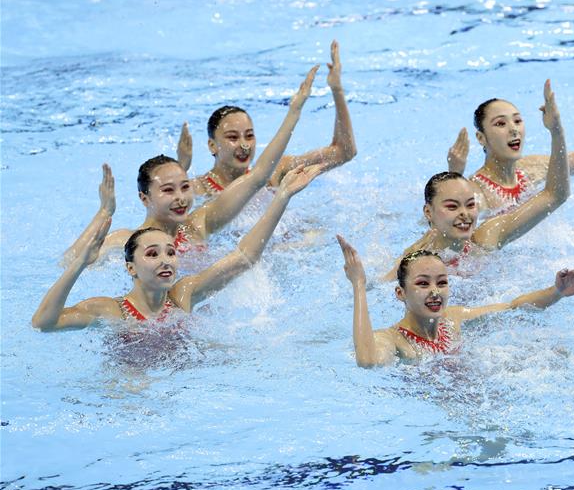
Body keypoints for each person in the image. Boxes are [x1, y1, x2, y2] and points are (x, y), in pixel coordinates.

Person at [69, 65, 321, 263]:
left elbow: (258, 177)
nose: (181, 198)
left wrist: (294, 112)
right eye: (168, 190)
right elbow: (69, 263)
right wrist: (104, 213)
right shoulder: (128, 241)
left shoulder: (199, 225)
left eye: (184, 187)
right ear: (144, 198)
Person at [32, 164, 323, 331]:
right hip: (130, 392)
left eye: (170, 252)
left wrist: (282, 195)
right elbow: (44, 323)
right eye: (152, 254)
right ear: (130, 267)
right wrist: (79, 265)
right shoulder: (111, 310)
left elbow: (244, 257)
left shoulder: (183, 295)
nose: (166, 260)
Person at [386, 80, 571, 278]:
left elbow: (555, 194)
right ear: (429, 212)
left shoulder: (486, 237)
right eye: (452, 207)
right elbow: (378, 287)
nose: (465, 214)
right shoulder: (417, 259)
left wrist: (556, 131)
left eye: (471, 205)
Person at [338, 236, 574, 367]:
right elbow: (369, 361)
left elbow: (513, 307)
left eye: (442, 282)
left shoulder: (454, 320)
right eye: (423, 283)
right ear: (400, 293)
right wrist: (359, 285)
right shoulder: (393, 340)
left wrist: (556, 291)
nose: (435, 292)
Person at [447, 41, 574, 213]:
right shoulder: (476, 192)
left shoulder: (533, 168)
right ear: (481, 138)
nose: (513, 129)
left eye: (517, 121)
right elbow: (439, 227)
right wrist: (454, 175)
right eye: (500, 123)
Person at [179, 40, 357, 196]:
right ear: (212, 145)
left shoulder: (274, 173)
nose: (244, 145)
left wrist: (337, 90)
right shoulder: (197, 191)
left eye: (249, 135)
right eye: (233, 137)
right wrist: (182, 166)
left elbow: (344, 152)